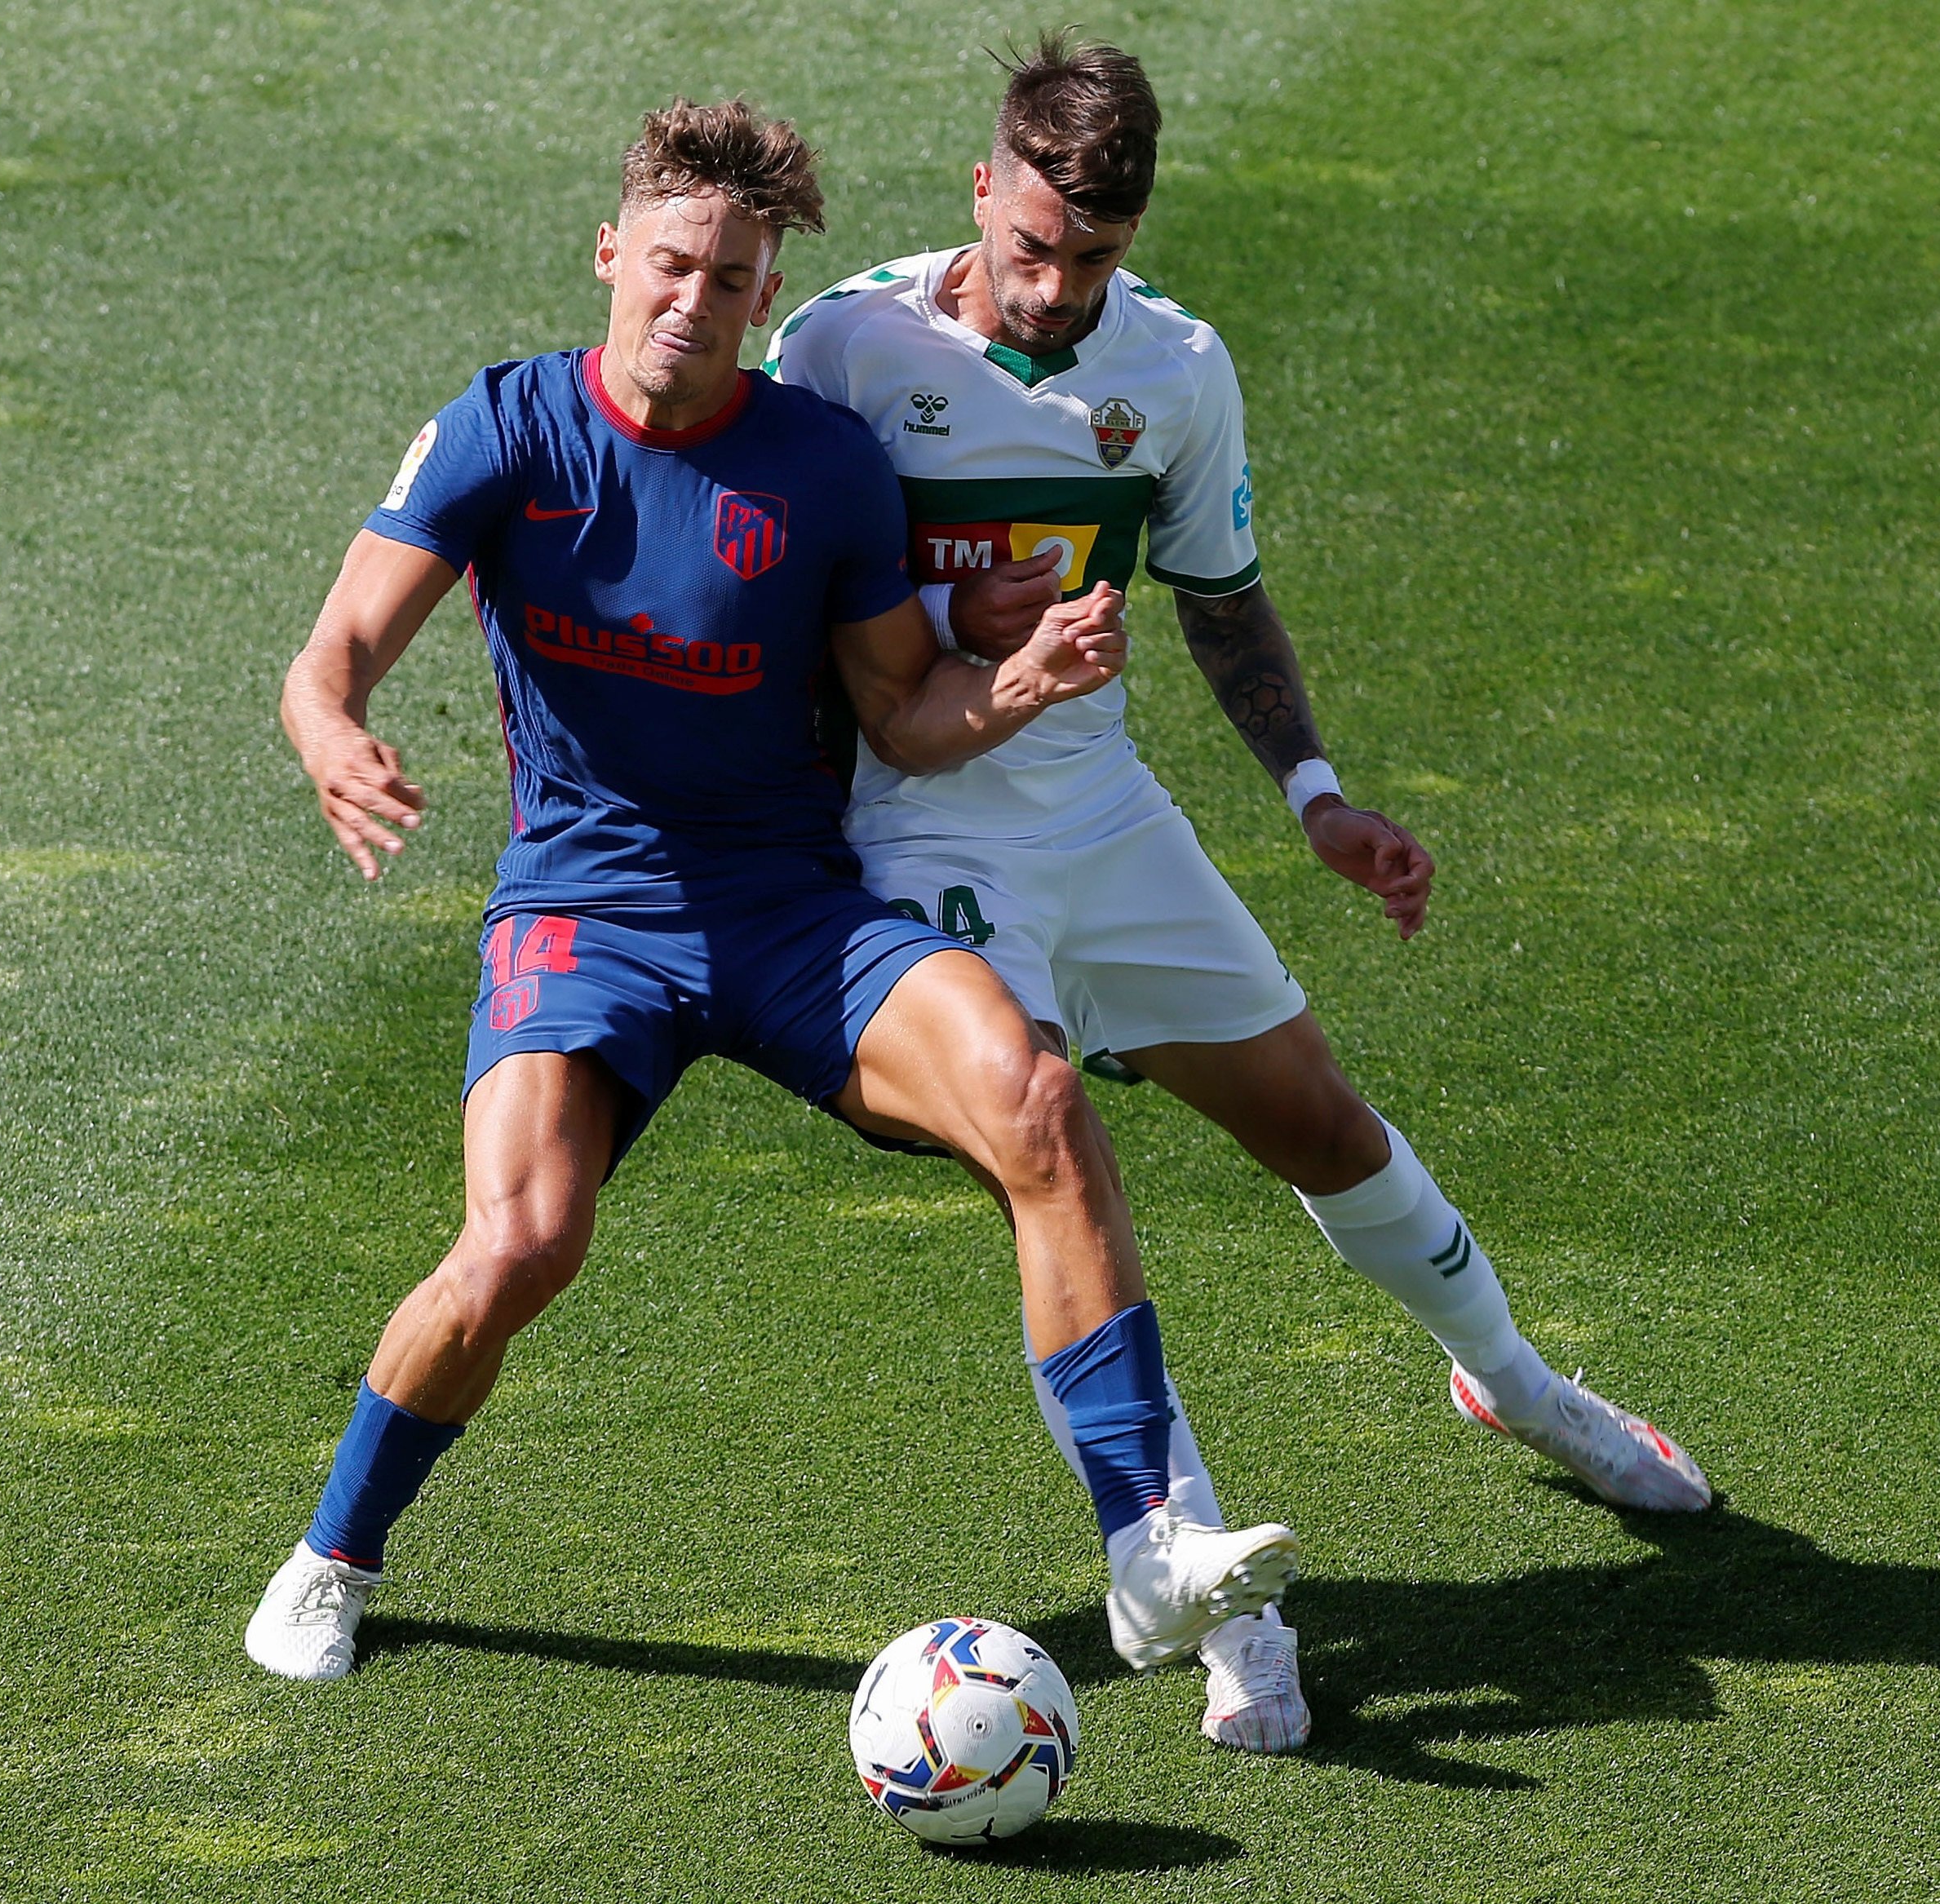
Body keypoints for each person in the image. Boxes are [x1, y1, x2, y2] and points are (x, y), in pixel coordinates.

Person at [246, 97, 1299, 1684]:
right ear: (612, 255)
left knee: (1038, 1102)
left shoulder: (821, 466)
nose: (695, 301)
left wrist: (1013, 680)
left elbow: (903, 715)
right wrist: (334, 737)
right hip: (587, 911)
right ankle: (336, 1550)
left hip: (793, 909)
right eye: (672, 264)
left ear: (763, 297)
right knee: (525, 1240)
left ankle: (1149, 1545)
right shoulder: (507, 429)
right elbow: (332, 656)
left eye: (732, 279)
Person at [763, 37, 1710, 1754]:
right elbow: (759, 575)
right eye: (1036, 245)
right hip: (923, 835)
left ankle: (1518, 1384)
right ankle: (1211, 1589)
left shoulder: (1177, 372)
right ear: (983, 190)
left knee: (1325, 1123)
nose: (1056, 291)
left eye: (1095, 260)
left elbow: (1222, 600)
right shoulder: (842, 345)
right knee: (1056, 1155)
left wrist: (1318, 798)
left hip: (1107, 817)